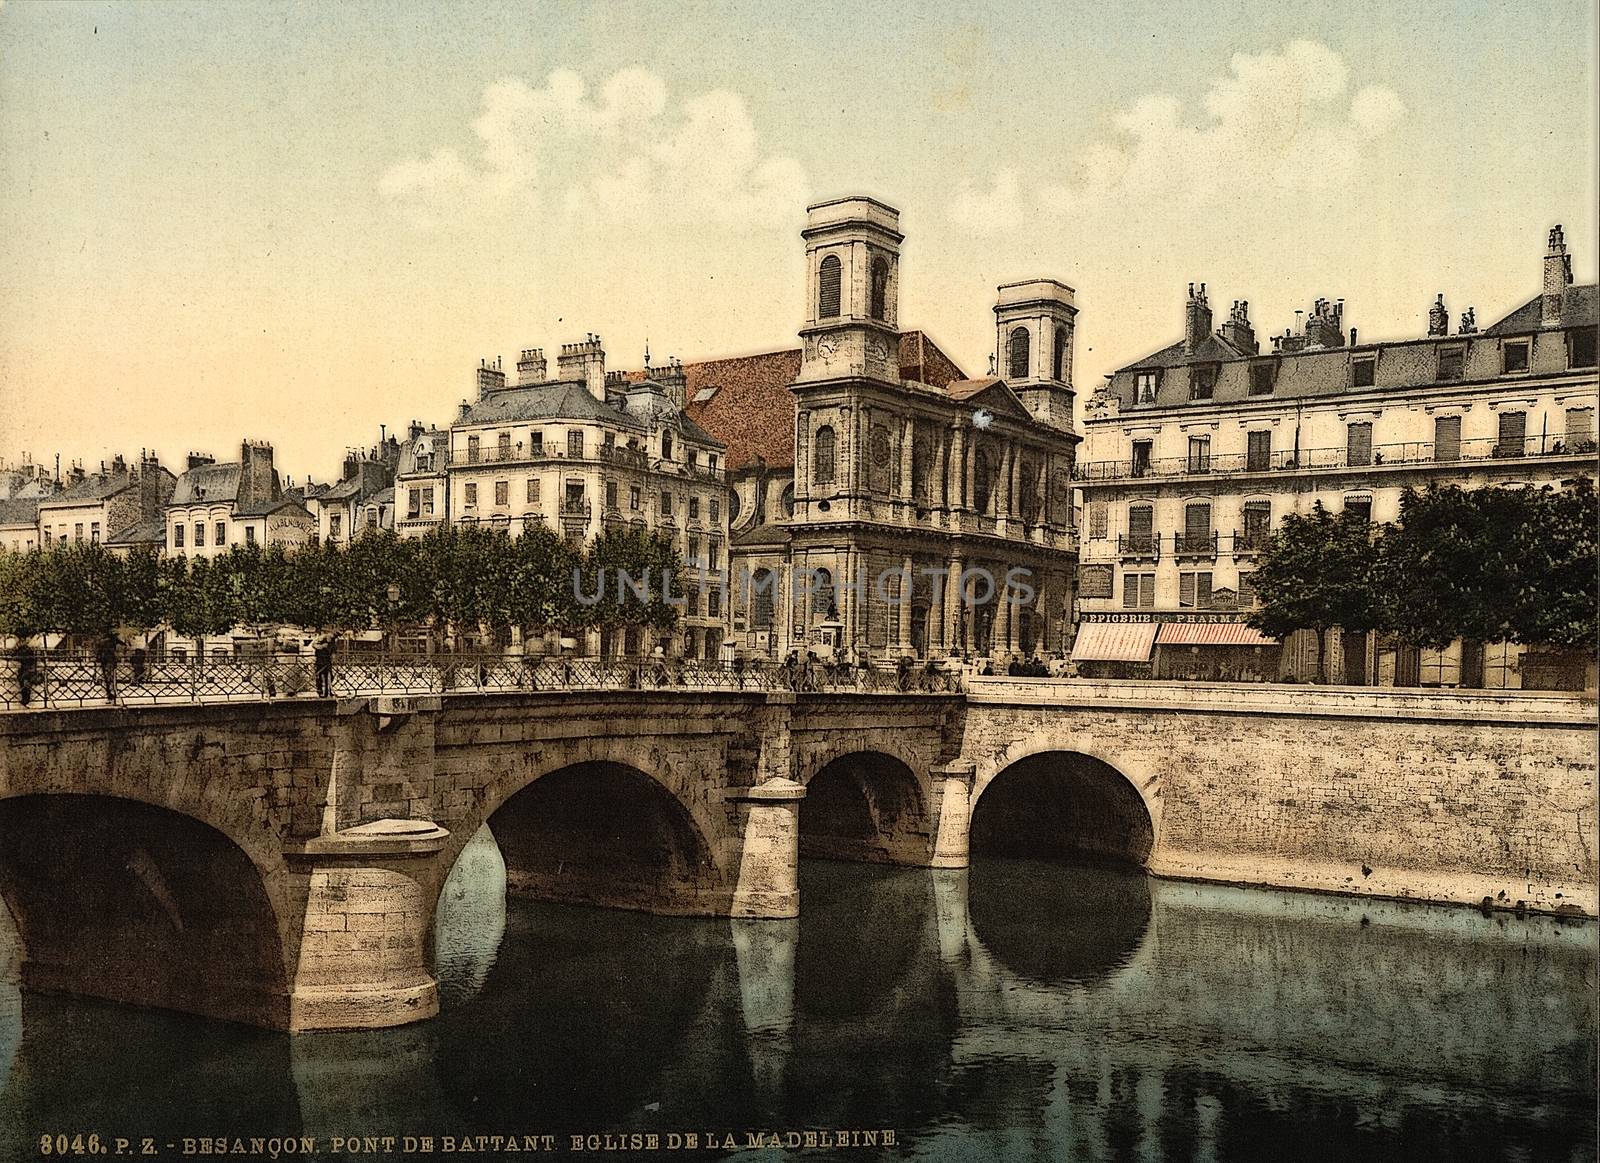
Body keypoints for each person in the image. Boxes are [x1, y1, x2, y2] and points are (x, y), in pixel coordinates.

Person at [96, 635, 119, 702]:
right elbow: (113, 653)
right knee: (110, 678)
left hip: (104, 662)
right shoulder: (111, 643)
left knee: (106, 679)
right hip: (109, 662)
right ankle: (112, 694)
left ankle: (109, 694)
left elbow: (98, 653)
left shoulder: (102, 642)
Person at [14, 643, 38, 708]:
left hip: (25, 671)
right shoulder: (30, 653)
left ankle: (25, 700)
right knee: (26, 686)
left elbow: (16, 658)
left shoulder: (24, 653)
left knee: (24, 686)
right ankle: (25, 700)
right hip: (27, 671)